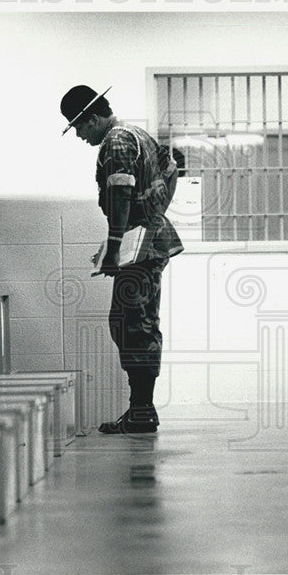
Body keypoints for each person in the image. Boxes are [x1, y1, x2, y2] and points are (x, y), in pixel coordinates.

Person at [60, 85, 183, 434]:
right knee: (129, 322)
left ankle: (142, 411)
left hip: (137, 250)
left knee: (134, 326)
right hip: (146, 241)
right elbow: (171, 170)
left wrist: (117, 244)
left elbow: (120, 194)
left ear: (93, 118)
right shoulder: (138, 134)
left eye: (79, 127)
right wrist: (152, 215)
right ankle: (140, 408)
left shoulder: (115, 141)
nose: (81, 136)